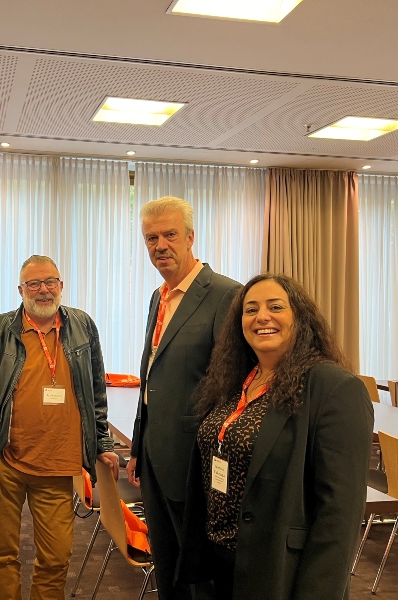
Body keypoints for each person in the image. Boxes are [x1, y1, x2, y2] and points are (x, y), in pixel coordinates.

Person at [178, 273, 373, 600]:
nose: (262, 317)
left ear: (300, 317)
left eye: (276, 307)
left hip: (277, 570)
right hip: (218, 562)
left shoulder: (334, 387)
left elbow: (340, 514)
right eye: (251, 309)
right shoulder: (235, 380)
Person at [0, 255, 120, 600]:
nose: (43, 290)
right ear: (20, 290)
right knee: (1, 554)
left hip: (59, 465)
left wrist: (102, 442)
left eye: (50, 282)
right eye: (34, 284)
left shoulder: (83, 326)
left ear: (61, 285)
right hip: (5, 464)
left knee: (56, 558)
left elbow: (96, 392)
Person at [126, 196, 241, 600]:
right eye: (151, 238)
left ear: (190, 237)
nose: (160, 246)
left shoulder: (226, 295)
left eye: (170, 235)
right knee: (167, 565)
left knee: (199, 575)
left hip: (196, 462)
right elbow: (151, 380)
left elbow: (232, 388)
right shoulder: (158, 297)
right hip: (155, 458)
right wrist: (138, 448)